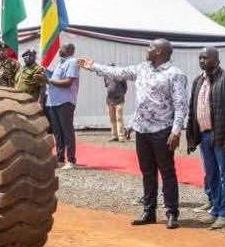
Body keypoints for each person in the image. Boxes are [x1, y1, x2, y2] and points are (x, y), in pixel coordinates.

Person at [80, 39, 188, 229]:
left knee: (167, 172)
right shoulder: (142, 68)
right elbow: (119, 72)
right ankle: (149, 211)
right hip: (142, 129)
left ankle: (172, 213)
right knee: (147, 172)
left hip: (162, 130)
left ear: (160, 52)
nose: (147, 50)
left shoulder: (175, 74)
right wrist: (93, 66)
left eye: (151, 47)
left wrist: (176, 131)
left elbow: (180, 105)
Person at [185, 47, 225, 230]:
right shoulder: (197, 81)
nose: (201, 60)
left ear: (216, 60)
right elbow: (192, 109)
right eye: (200, 57)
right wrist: (191, 135)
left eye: (205, 57)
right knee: (211, 175)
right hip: (204, 135)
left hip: (222, 136)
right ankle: (216, 209)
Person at [44, 42, 80, 169]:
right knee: (58, 132)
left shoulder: (73, 62)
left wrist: (50, 81)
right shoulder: (60, 62)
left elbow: (68, 82)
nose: (59, 50)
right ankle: (60, 159)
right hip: (53, 102)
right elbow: (53, 79)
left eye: (62, 48)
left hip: (65, 101)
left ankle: (71, 160)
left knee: (67, 131)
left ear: (69, 50)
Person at [104, 63, 128, 142]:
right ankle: (114, 136)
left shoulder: (121, 76)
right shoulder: (106, 76)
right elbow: (107, 86)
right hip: (110, 100)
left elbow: (125, 88)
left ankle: (121, 136)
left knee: (119, 118)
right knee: (112, 118)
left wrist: (121, 95)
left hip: (119, 100)